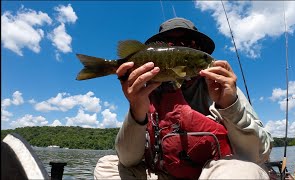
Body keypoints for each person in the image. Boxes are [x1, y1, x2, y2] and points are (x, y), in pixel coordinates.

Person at [94, 17, 273, 179]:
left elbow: (258, 155)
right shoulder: (147, 92)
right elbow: (128, 159)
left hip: (213, 173)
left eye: (189, 43)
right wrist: (137, 108)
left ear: (198, 49)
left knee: (244, 173)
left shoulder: (222, 88)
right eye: (171, 43)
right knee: (107, 166)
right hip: (162, 174)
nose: (180, 46)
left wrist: (229, 105)